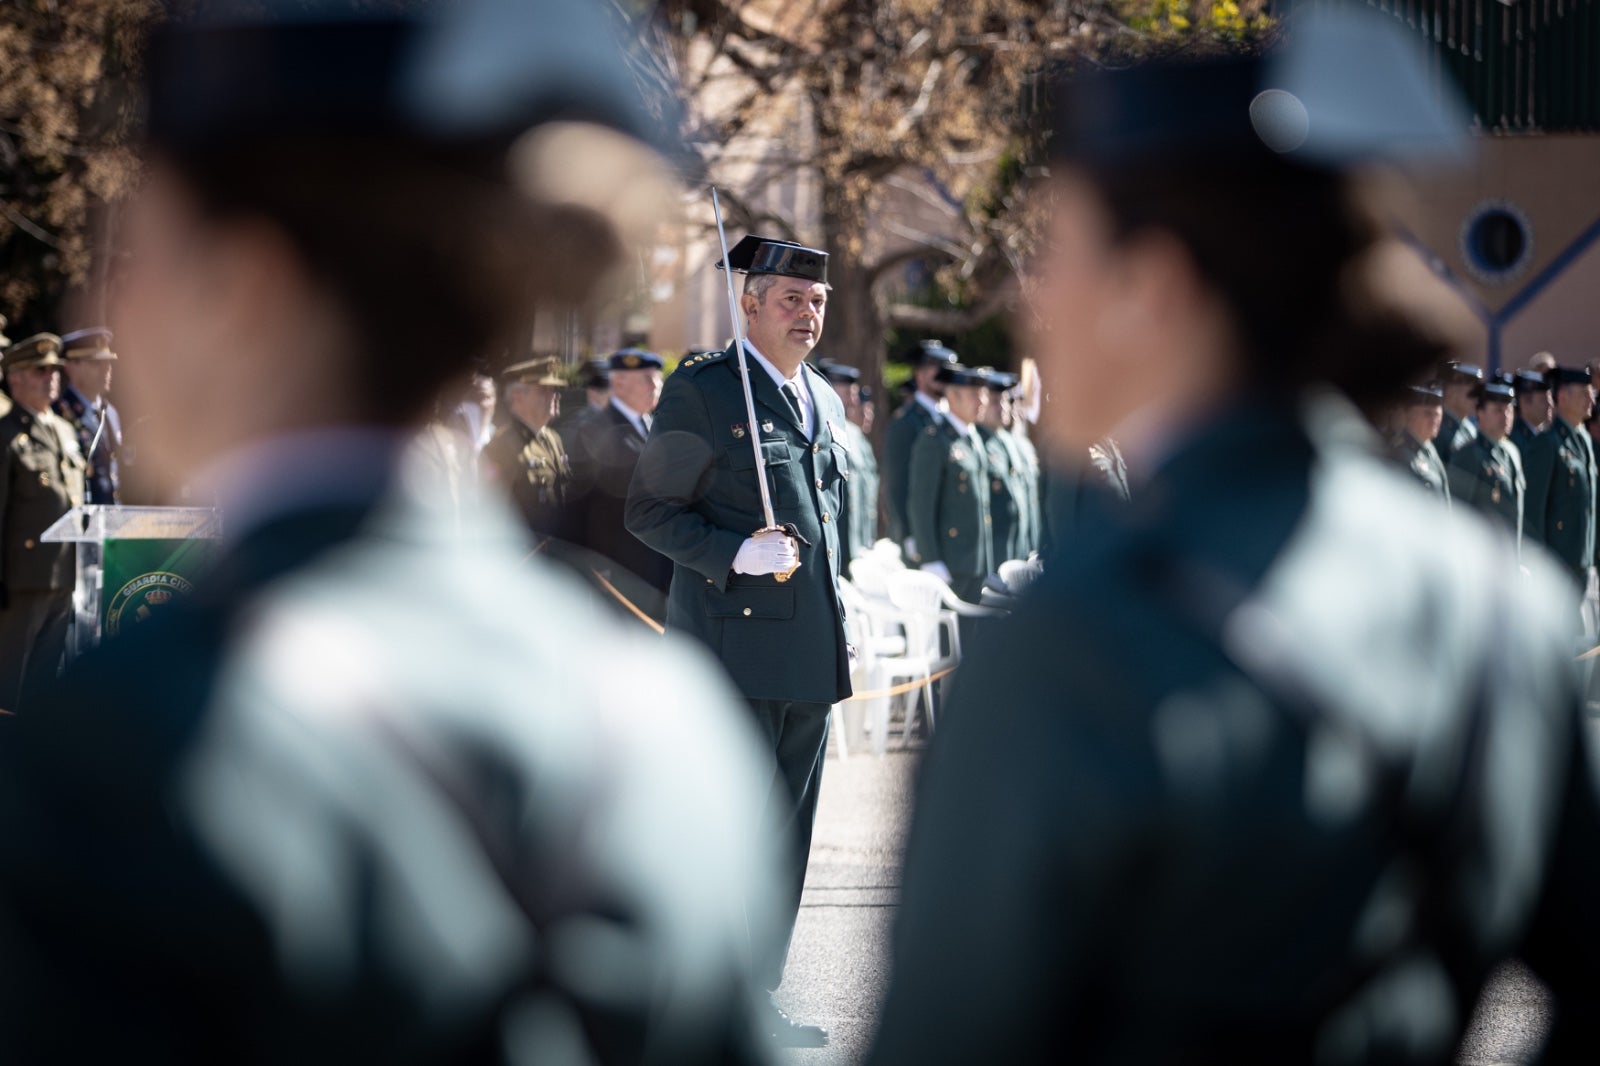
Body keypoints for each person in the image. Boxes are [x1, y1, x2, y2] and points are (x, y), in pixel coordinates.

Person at [0, 3, 783, 1062]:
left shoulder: (125, 740)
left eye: (140, 252)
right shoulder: (672, 726)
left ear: (244, 288)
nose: (108, 298)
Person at [870, 14, 1600, 1066]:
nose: (1034, 305)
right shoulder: (1503, 609)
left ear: (1155, 288)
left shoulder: (1075, 641)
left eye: (1059, 252)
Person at [626, 232, 852, 1048]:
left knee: (786, 842)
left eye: (818, 302)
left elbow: (826, 515)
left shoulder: (818, 397)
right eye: (791, 300)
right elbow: (647, 513)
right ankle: (692, 1000)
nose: (808, 315)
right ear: (748, 304)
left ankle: (757, 999)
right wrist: (731, 553)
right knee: (729, 838)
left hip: (808, 653)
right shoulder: (706, 394)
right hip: (734, 648)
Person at [0, 332, 84, 712]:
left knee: (43, 692)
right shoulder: (6, 435)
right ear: (15, 378)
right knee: (9, 690)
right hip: (20, 583)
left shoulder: (65, 431)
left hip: (64, 576)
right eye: (41, 370)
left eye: (54, 370)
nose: (52, 377)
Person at [569, 347, 673, 593]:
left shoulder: (654, 424)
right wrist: (596, 563)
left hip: (657, 560)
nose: (656, 385)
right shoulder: (595, 429)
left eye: (658, 378)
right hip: (620, 565)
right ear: (619, 383)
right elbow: (584, 504)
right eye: (647, 378)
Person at [907, 363, 994, 601]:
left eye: (984, 394)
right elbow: (921, 505)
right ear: (952, 397)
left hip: (976, 562)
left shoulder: (973, 437)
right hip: (951, 562)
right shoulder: (934, 440)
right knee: (952, 636)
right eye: (975, 395)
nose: (982, 401)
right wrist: (930, 558)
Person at [1523, 365, 1598, 592]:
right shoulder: (1548, 442)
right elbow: (1534, 508)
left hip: (1582, 558)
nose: (1591, 402)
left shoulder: (1582, 439)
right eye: (1585, 395)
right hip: (1557, 562)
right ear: (1563, 397)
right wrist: (1539, 562)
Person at [482, 356, 572, 539]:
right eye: (544, 390)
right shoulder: (502, 445)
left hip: (557, 551)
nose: (555, 396)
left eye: (554, 389)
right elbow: (492, 511)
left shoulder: (552, 438)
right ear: (518, 397)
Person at [885, 340, 956, 561]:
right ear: (920, 375)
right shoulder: (906, 422)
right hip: (922, 536)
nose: (943, 377)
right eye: (936, 370)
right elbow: (897, 484)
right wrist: (908, 534)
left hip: (951, 535)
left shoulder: (950, 419)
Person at [1448, 373, 1524, 552]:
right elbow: (1459, 513)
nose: (1505, 416)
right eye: (1498, 410)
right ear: (1480, 412)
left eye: (1509, 410)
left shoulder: (1512, 452)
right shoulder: (1468, 454)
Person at [817, 359, 878, 561]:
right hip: (834, 538)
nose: (853, 401)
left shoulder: (853, 432)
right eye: (847, 394)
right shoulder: (818, 431)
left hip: (857, 538)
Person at [54, 327, 122, 504]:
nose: (106, 368)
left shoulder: (110, 412)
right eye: (96, 363)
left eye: (108, 362)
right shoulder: (59, 412)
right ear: (70, 367)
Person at [1392, 383, 1451, 504]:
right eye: (1428, 414)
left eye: (1437, 414)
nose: (1434, 420)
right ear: (1410, 415)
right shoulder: (1400, 454)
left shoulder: (1428, 447)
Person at [1435, 361, 1482, 458]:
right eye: (1472, 394)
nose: (1477, 399)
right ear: (1450, 393)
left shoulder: (1470, 428)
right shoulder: (1437, 430)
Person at [1512, 367, 1553, 451]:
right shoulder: (1515, 439)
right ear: (1524, 403)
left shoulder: (1545, 434)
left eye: (1550, 399)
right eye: (1543, 400)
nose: (1549, 405)